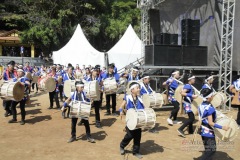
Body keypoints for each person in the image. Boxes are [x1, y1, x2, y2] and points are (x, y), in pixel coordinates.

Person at [198, 88, 230, 160]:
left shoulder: (201, 105)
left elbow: (201, 117)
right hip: (208, 132)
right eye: (212, 95)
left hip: (203, 130)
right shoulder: (209, 108)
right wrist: (222, 127)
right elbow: (211, 123)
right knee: (212, 150)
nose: (213, 97)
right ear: (209, 97)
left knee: (207, 150)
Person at [119, 82, 144, 159]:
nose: (139, 89)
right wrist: (121, 111)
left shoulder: (140, 98)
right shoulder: (128, 97)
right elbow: (121, 106)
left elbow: (143, 108)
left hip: (138, 119)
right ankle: (122, 145)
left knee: (138, 136)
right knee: (130, 135)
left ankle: (136, 151)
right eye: (137, 88)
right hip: (131, 120)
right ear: (132, 90)